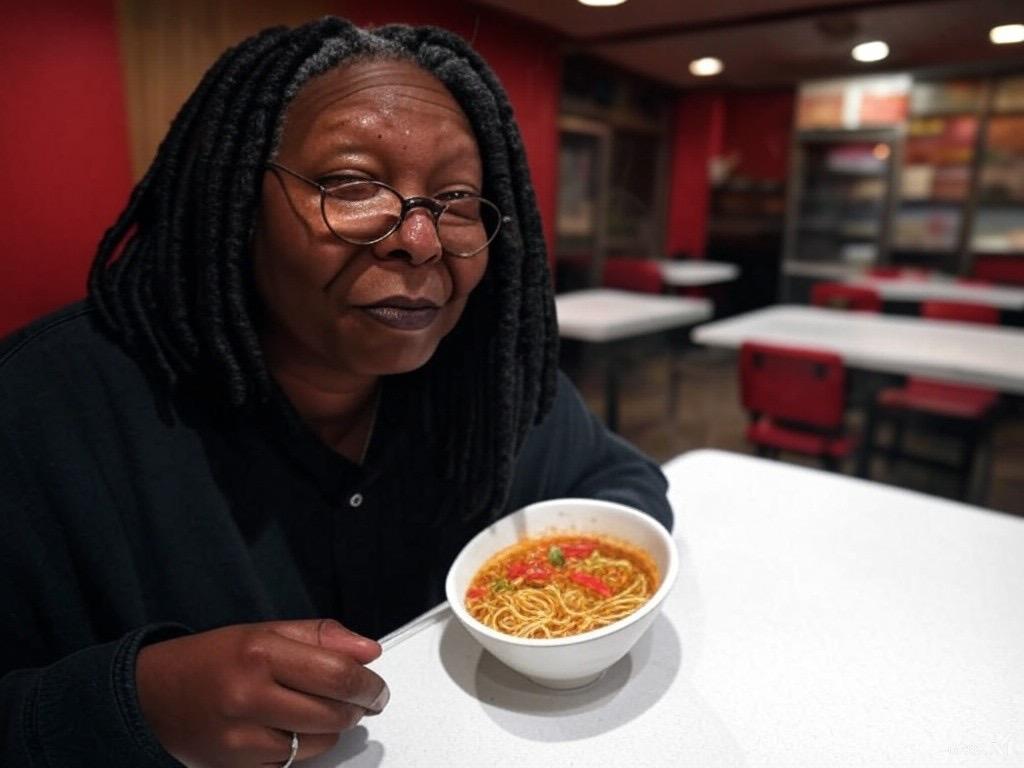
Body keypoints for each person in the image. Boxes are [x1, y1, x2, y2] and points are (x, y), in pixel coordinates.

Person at [0, 16, 672, 768]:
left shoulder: (487, 378)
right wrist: (133, 703)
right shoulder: (39, 411)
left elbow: (622, 481)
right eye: (351, 184)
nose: (420, 240)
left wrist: (568, 596)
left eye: (456, 198)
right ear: (236, 197)